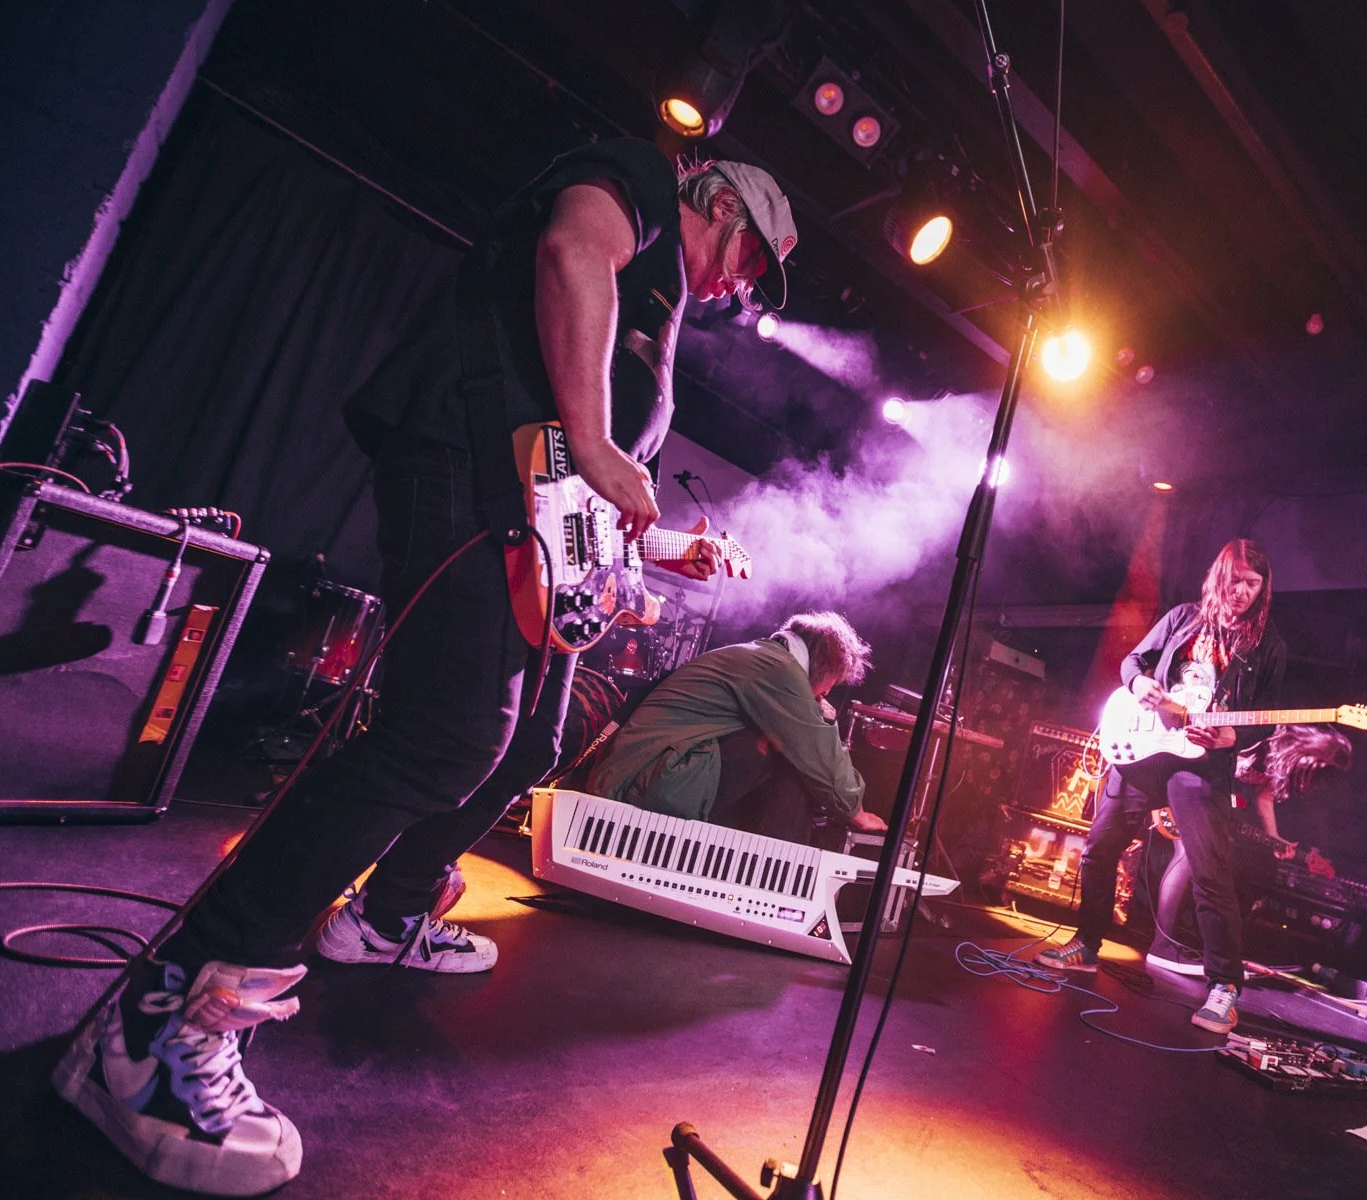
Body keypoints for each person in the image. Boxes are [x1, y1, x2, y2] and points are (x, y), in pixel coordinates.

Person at [52, 139, 800, 1196]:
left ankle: (388, 915)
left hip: (525, 510)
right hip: (464, 471)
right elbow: (568, 255)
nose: (746, 283)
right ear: (717, 202)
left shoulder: (659, 303)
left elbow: (576, 481)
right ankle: (161, 1015)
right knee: (443, 737)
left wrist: (660, 542)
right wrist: (598, 443)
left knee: (527, 741)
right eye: (752, 255)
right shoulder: (632, 180)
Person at [1037, 539, 1286, 1035]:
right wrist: (1139, 685)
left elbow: (1268, 716)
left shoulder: (1268, 645)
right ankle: (1087, 943)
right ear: (1218, 576)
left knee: (1210, 872)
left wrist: (1232, 736)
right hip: (1146, 748)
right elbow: (1133, 662)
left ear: (1264, 588)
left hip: (1201, 765)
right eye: (1235, 580)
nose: (1242, 591)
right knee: (1099, 848)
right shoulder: (1182, 619)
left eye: (1253, 584)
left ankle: (1224, 987)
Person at [587, 611, 888, 843]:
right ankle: (774, 880)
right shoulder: (779, 669)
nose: (826, 693)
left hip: (645, 774)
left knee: (774, 743)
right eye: (831, 684)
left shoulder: (763, 656)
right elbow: (818, 753)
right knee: (794, 757)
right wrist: (856, 812)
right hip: (645, 781)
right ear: (825, 664)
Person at [1145, 723, 1350, 978]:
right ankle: (1161, 946)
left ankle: (1182, 943)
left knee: (1213, 865)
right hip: (1187, 779)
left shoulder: (1282, 764)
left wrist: (1274, 839)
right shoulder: (1263, 735)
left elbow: (1264, 797)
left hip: (1212, 800)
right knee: (1186, 856)